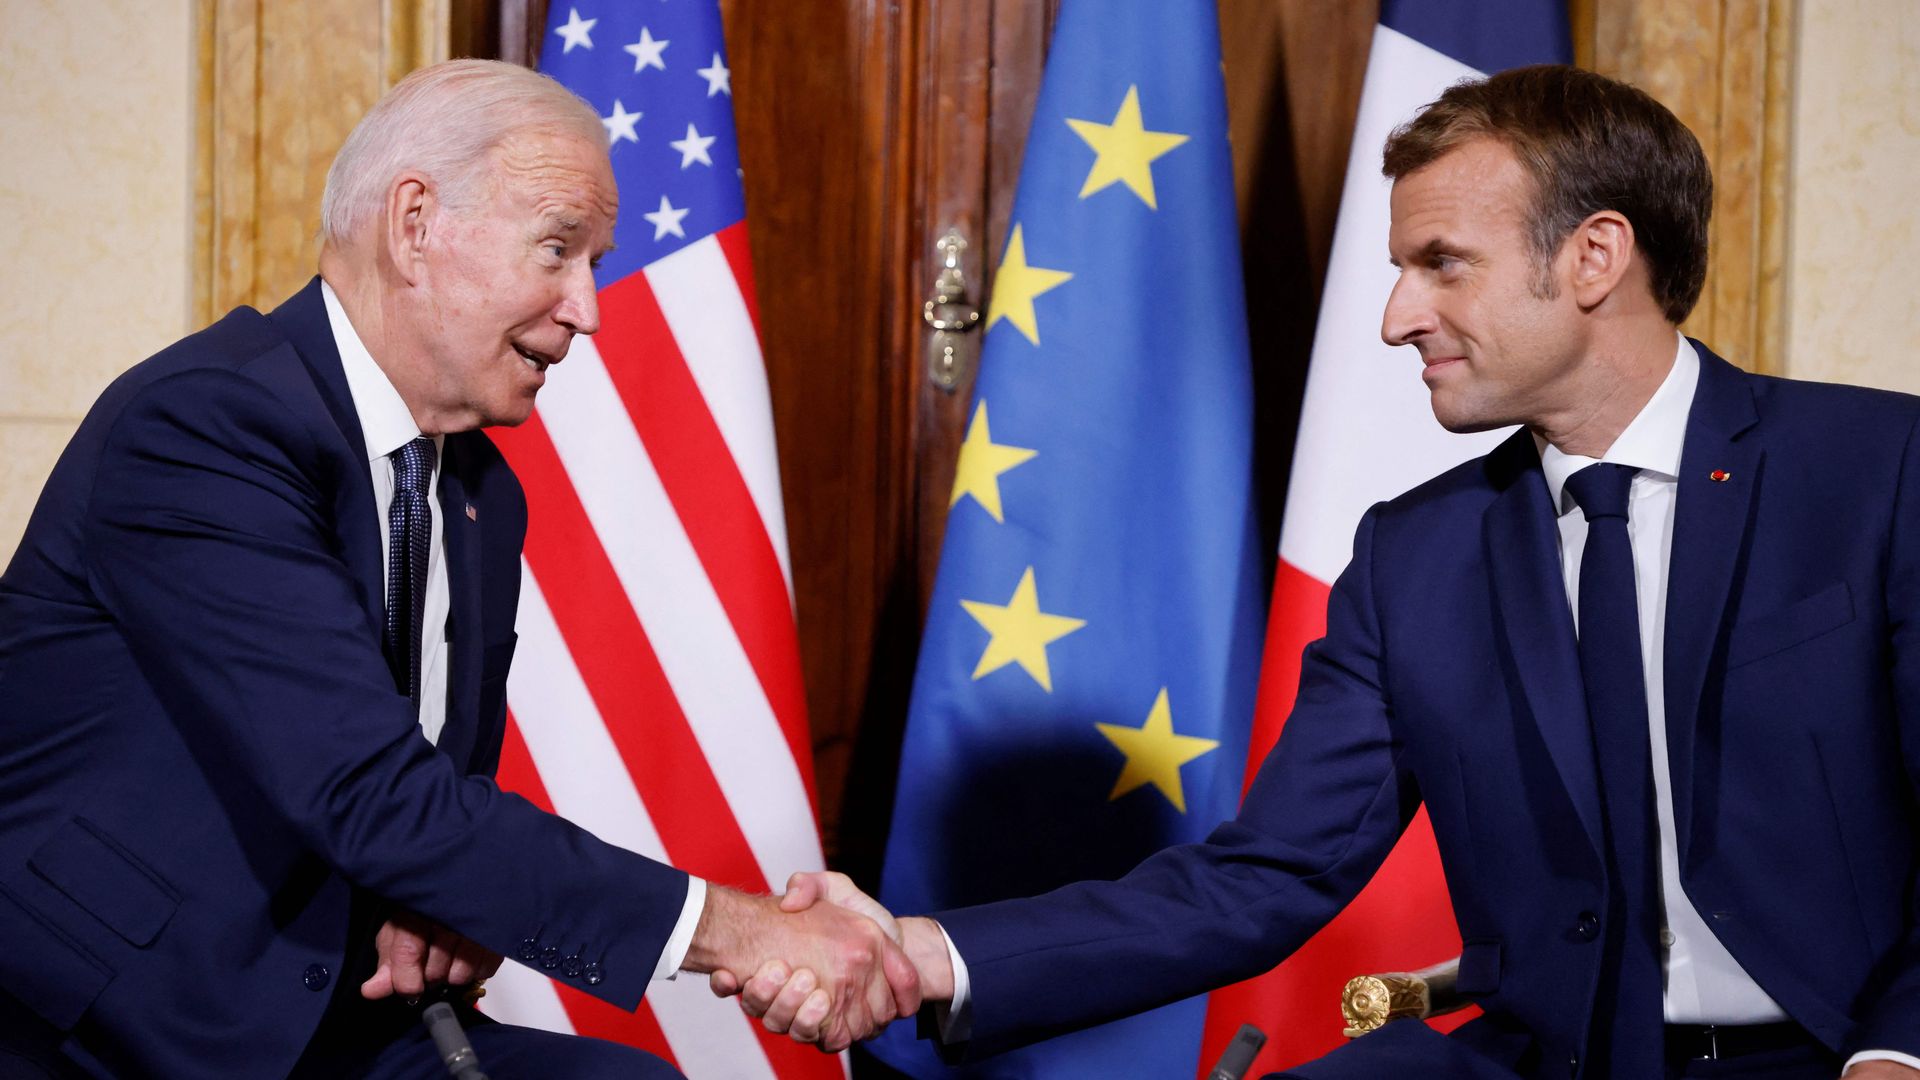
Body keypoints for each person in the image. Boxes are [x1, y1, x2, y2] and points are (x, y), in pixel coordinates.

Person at [725, 66, 1920, 1079]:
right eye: (1402, 269)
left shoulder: (1881, 473)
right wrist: (922, 955)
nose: (1397, 318)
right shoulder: (1417, 555)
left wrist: (1897, 1051)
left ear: (1596, 257)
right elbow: (1269, 875)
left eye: (1442, 264)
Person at [0, 59, 914, 1079]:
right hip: (108, 1025)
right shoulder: (208, 427)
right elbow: (370, 794)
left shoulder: (478, 488)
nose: (588, 309)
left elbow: (432, 801)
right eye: (558, 250)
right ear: (415, 226)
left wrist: (448, 900)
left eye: (594, 263)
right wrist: (738, 932)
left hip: (346, 1013)